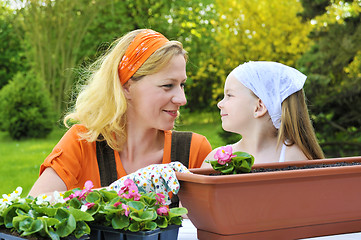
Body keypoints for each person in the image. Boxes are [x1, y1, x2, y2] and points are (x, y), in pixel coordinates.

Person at [29, 29, 212, 197]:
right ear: (126, 87)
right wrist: (122, 190)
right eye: (167, 85)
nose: (182, 99)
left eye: (182, 85)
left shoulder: (194, 151)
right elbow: (33, 205)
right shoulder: (83, 143)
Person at [203, 61, 324, 166]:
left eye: (229, 95)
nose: (220, 103)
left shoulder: (293, 158)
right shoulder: (215, 159)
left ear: (259, 107)